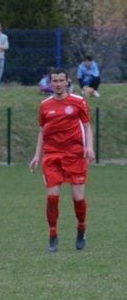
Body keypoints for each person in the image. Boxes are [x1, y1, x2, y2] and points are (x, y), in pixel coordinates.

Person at [29, 69, 94, 252]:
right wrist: (37, 155)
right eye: (54, 81)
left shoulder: (78, 102)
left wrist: (89, 147)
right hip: (52, 156)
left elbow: (87, 127)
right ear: (50, 83)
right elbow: (42, 131)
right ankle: (52, 234)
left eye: (61, 80)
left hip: (75, 155)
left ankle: (81, 228)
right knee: (52, 198)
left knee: (77, 198)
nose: (58, 84)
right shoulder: (44, 105)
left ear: (67, 82)